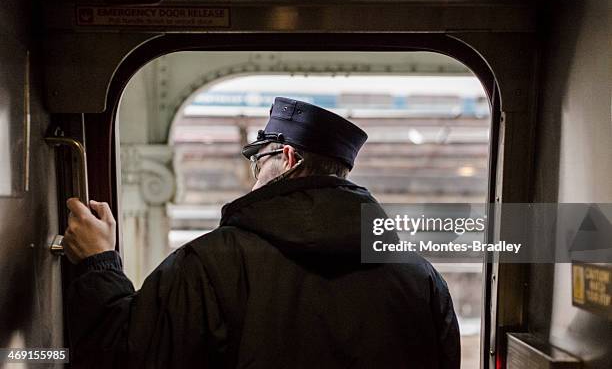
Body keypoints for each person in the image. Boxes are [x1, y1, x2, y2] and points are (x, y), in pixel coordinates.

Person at [64, 97, 460, 368]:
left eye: (258, 161)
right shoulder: (421, 278)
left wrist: (98, 263)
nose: (253, 179)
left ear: (287, 158)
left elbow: (123, 356)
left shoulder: (210, 263)